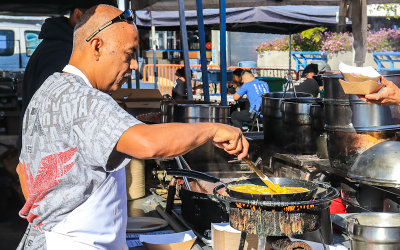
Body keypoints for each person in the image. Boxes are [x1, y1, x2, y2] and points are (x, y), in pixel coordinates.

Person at [16, 5, 248, 249]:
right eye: (129, 54)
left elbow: (24, 169)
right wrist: (213, 129)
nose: (135, 65)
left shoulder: (50, 89)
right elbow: (149, 144)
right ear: (97, 46)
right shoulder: (84, 99)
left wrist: (50, 214)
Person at [18, 0, 117, 152]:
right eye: (100, 22)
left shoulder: (61, 46)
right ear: (78, 15)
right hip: (46, 153)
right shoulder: (60, 52)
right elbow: (55, 110)